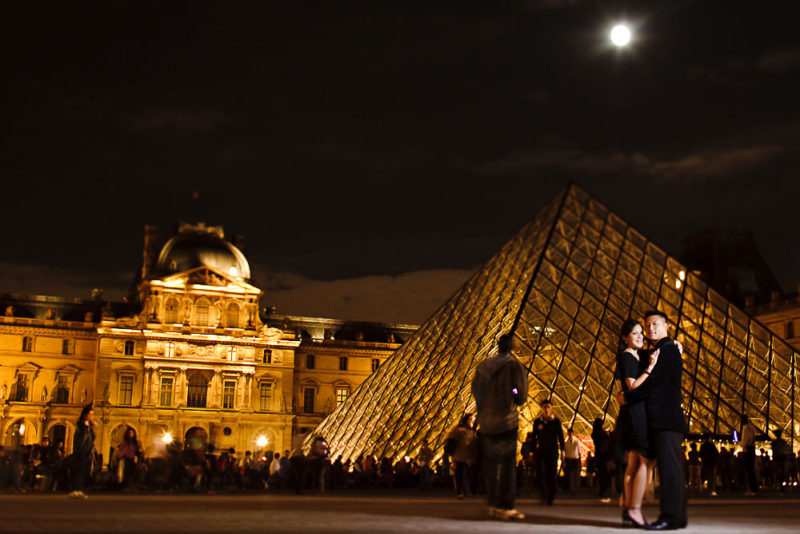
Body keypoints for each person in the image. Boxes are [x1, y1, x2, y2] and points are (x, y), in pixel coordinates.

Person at [619, 310, 687, 530]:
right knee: (670, 469)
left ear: (667, 326)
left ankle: (670, 517)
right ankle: (677, 516)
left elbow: (653, 383)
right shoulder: (659, 350)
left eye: (655, 324)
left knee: (669, 471)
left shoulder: (667, 350)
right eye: (647, 325)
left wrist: (627, 397)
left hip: (666, 420)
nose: (650, 329)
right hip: (663, 420)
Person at [471, 333, 528, 521]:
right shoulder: (514, 366)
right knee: (507, 465)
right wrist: (512, 393)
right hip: (506, 421)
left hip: (486, 423)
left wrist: (484, 408)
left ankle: (493, 503)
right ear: (512, 347)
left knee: (490, 464)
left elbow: (476, 392)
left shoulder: (483, 367)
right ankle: (506, 506)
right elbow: (520, 396)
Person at [615, 319, 661, 525]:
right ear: (625, 338)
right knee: (646, 459)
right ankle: (634, 508)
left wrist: (676, 345)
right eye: (635, 333)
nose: (641, 336)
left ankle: (628, 507)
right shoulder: (628, 357)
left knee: (634, 463)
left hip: (633, 411)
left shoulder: (635, 355)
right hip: (635, 413)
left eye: (641, 332)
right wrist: (650, 368)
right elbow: (632, 386)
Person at [532, 399, 565, 506]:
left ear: (551, 409)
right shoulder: (537, 422)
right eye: (544, 407)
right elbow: (533, 437)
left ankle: (551, 497)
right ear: (541, 408)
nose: (546, 409)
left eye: (548, 407)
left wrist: (563, 451)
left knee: (552, 475)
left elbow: (560, 437)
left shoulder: (556, 421)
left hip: (552, 451)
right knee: (541, 473)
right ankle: (544, 495)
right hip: (541, 451)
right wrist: (532, 452)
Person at [445, 413, 478, 499]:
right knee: (460, 474)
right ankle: (461, 491)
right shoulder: (460, 429)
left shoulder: (469, 429)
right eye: (471, 419)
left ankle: (464, 491)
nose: (472, 421)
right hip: (459, 455)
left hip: (466, 456)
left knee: (464, 474)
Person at [69, 404, 95, 499]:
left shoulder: (89, 426)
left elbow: (92, 437)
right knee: (78, 469)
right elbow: (81, 436)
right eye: (90, 414)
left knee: (83, 470)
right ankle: (75, 489)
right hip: (80, 450)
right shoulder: (80, 424)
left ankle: (79, 489)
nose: (91, 416)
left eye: (92, 414)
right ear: (85, 415)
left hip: (87, 450)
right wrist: (87, 428)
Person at [740, 415, 758, 495]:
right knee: (751, 470)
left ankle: (750, 489)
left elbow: (745, 440)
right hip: (752, 449)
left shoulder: (745, 428)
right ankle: (754, 488)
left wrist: (741, 444)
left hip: (747, 449)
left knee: (748, 470)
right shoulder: (752, 427)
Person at [564, 429, 582, 496]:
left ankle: (576, 489)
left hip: (575, 459)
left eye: (571, 433)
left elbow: (579, 452)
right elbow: (565, 453)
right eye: (569, 433)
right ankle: (572, 489)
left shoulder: (577, 442)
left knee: (576, 475)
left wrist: (579, 461)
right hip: (569, 459)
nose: (570, 435)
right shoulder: (566, 443)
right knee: (571, 476)